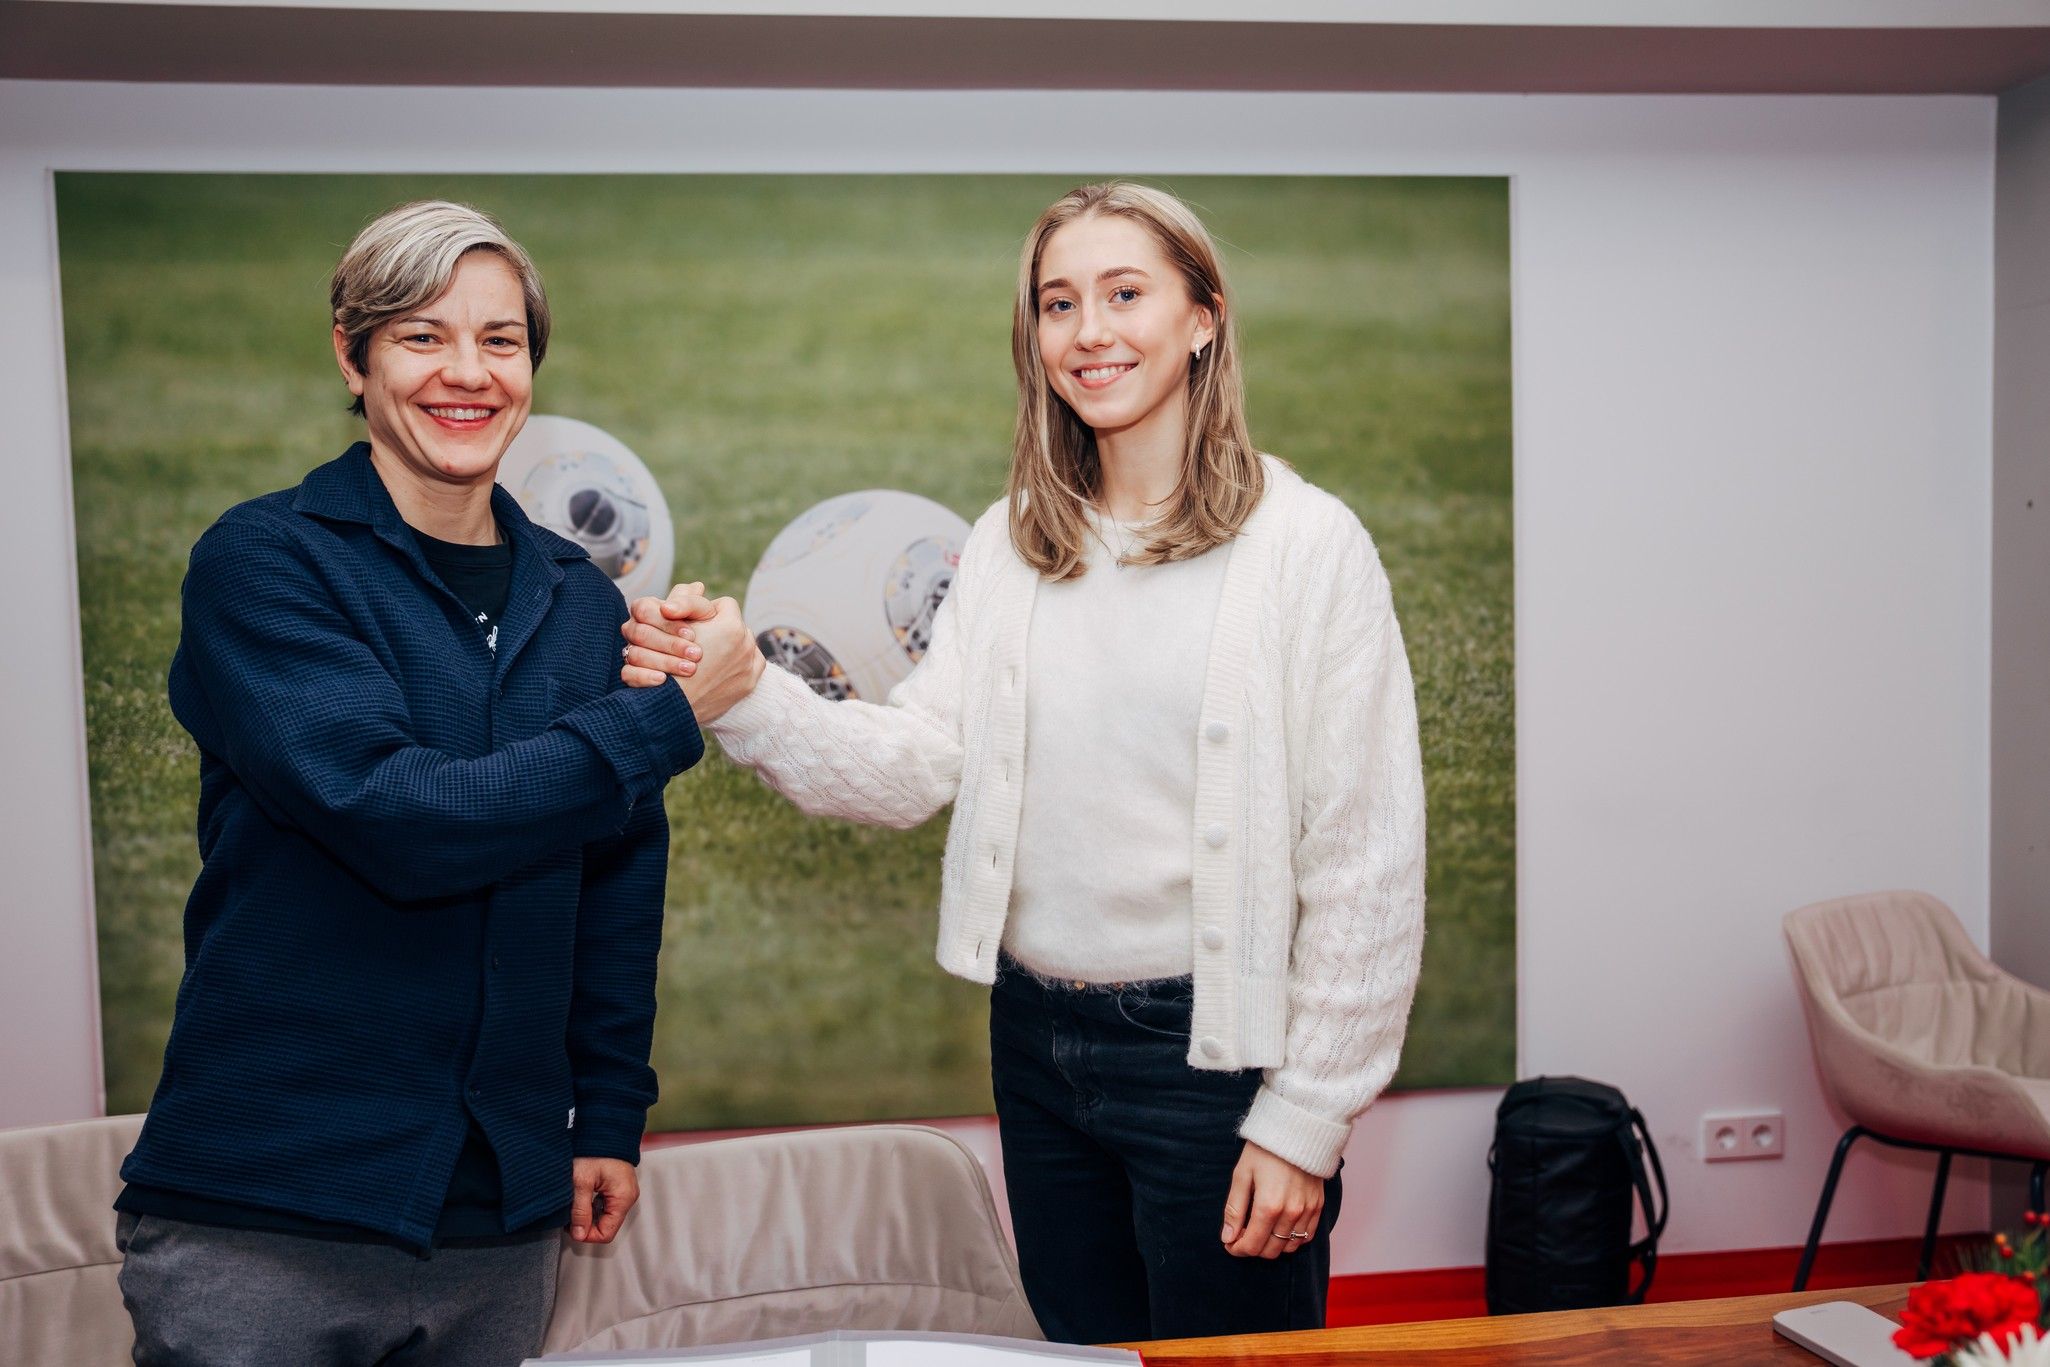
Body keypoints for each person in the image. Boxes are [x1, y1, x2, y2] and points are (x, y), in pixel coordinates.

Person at [622, 181, 1427, 1343]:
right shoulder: (1011, 542)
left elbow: (1365, 856)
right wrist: (746, 688)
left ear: (1202, 316)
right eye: (1058, 303)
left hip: (1214, 1059)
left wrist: (1304, 1116)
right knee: (1077, 1350)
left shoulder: (1305, 547)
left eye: (1123, 293)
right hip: (1038, 1046)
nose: (1088, 331)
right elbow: (913, 764)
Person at [113, 199, 758, 1367]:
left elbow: (617, 880)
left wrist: (608, 1108)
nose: (468, 373)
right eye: (421, 336)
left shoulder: (577, 600)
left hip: (500, 1223)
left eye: (500, 340)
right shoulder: (265, 561)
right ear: (352, 357)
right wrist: (664, 718)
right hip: (269, 1207)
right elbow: (399, 818)